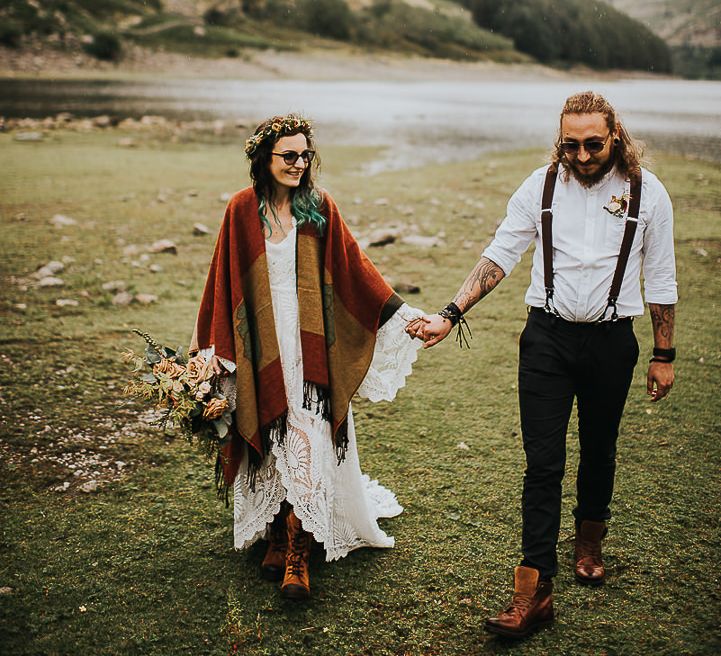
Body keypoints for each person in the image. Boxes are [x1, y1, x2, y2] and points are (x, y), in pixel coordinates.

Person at [407, 91, 677, 638]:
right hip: (547, 340)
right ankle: (533, 592)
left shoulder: (649, 194)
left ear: (615, 137)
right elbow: (500, 253)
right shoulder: (541, 185)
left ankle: (589, 540)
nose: (581, 155)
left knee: (599, 448)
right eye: (570, 144)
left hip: (611, 342)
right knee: (543, 464)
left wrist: (664, 354)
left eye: (593, 144)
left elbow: (663, 278)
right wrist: (450, 313)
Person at [189, 114, 423, 600]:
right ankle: (275, 532)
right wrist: (208, 353)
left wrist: (402, 316)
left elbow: (357, 270)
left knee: (308, 437)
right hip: (261, 340)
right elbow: (222, 281)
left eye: (304, 156)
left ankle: (298, 552)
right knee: (269, 427)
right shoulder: (240, 210)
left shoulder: (319, 209)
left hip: (310, 345)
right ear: (263, 159)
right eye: (288, 156)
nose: (298, 164)